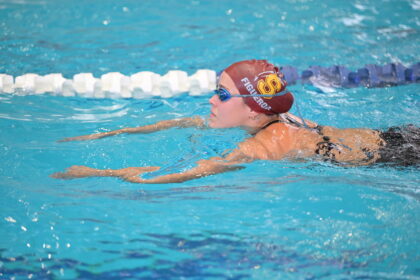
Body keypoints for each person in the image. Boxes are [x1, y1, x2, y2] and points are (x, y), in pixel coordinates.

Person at [51, 60, 419, 184]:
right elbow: (191, 121)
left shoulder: (262, 144)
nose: (211, 100)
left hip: (400, 157)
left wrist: (97, 172)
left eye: (222, 96)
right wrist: (116, 131)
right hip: (392, 137)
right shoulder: (277, 115)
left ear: (253, 112)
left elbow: (175, 174)